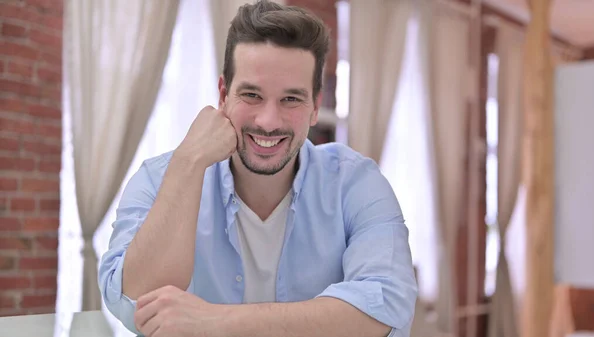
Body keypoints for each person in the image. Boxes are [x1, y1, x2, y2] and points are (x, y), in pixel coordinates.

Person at [98, 1, 417, 336]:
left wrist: (215, 322)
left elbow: (387, 305)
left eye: (291, 99)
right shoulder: (161, 177)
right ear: (223, 94)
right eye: (251, 95)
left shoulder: (356, 183)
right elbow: (131, 302)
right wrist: (188, 164)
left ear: (315, 106)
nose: (268, 122)